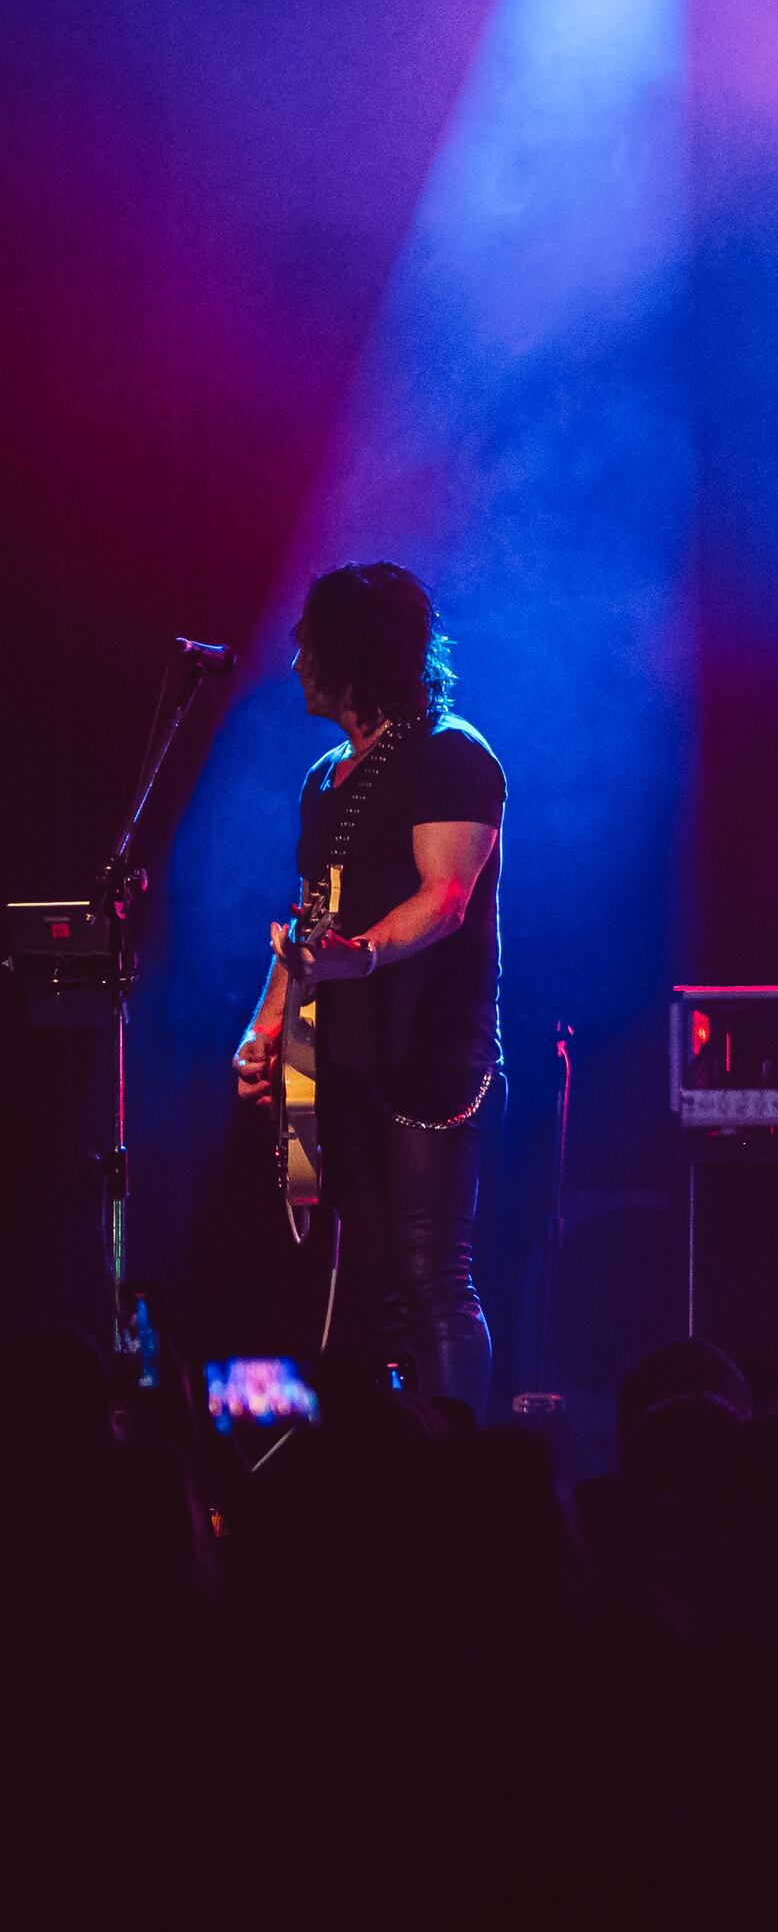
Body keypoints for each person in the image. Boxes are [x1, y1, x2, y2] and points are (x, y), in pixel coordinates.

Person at [230, 562, 505, 1410]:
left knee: (434, 1276)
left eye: (309, 644)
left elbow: (446, 897)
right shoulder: (324, 776)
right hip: (340, 1059)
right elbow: (311, 918)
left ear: (353, 652)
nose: (295, 661)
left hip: (431, 1055)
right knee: (375, 1282)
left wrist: (363, 954)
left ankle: (462, 1472)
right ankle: (395, 1474)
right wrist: (264, 1028)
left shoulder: (452, 754)